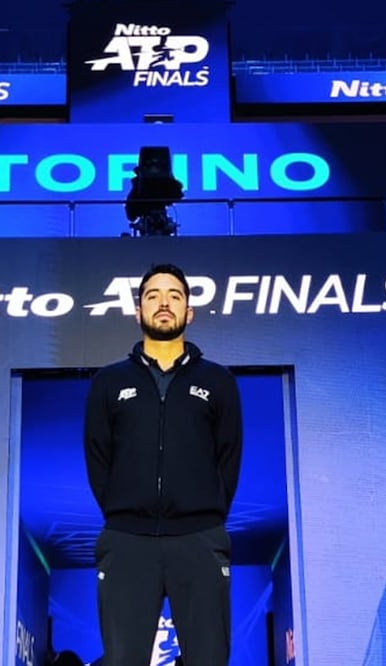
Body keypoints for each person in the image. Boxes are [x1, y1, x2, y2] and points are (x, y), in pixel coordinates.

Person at [84, 263, 242, 666]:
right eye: (153, 296)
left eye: (174, 295)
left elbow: (228, 456)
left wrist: (202, 513)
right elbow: (98, 458)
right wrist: (126, 510)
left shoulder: (219, 381)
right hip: (127, 542)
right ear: (138, 312)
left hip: (200, 539)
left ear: (189, 312)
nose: (164, 303)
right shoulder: (109, 382)